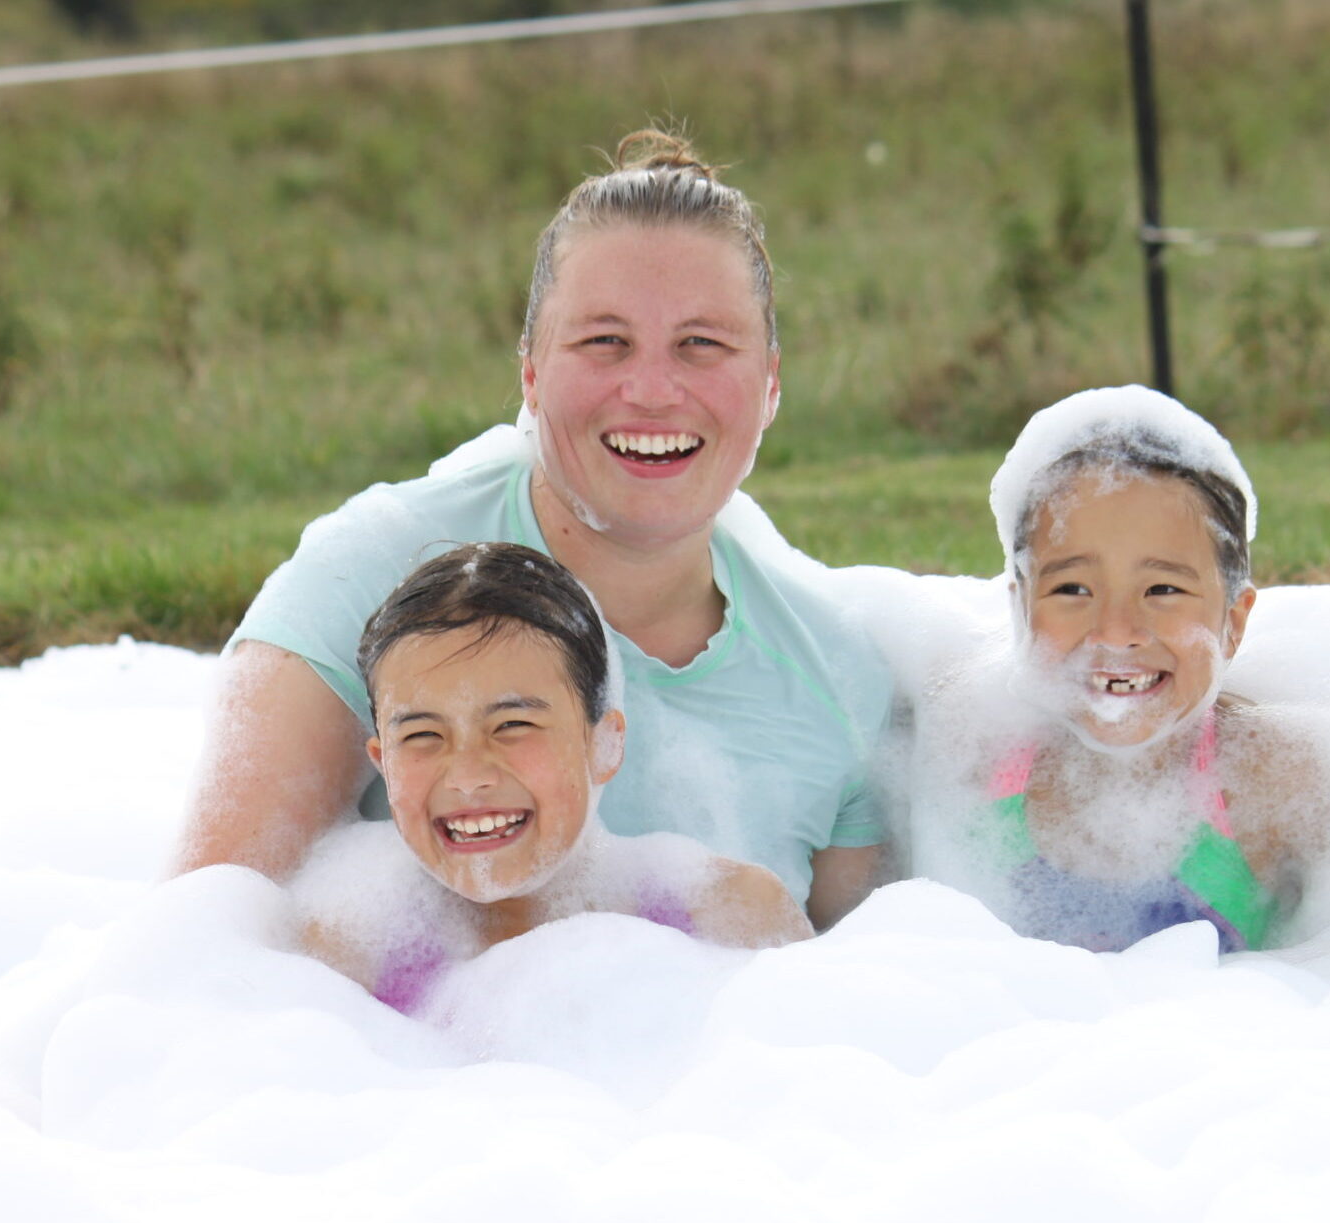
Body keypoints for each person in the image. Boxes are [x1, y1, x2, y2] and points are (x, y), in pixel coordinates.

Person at [177, 130, 888, 928]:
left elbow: (853, 993)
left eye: (702, 345)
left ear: (769, 385)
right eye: (604, 342)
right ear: (530, 370)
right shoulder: (374, 569)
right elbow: (205, 941)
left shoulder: (840, 675)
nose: (652, 390)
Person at [296, 543, 810, 1014]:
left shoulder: (728, 919)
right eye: (424, 735)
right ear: (383, 764)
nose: (469, 776)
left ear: (604, 744)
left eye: (512, 725)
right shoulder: (349, 959)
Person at [915, 386, 1330, 953]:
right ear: (1020, 610)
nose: (1115, 631)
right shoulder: (975, 757)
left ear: (1232, 623)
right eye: (1072, 588)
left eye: (1162, 589)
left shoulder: (1271, 782)